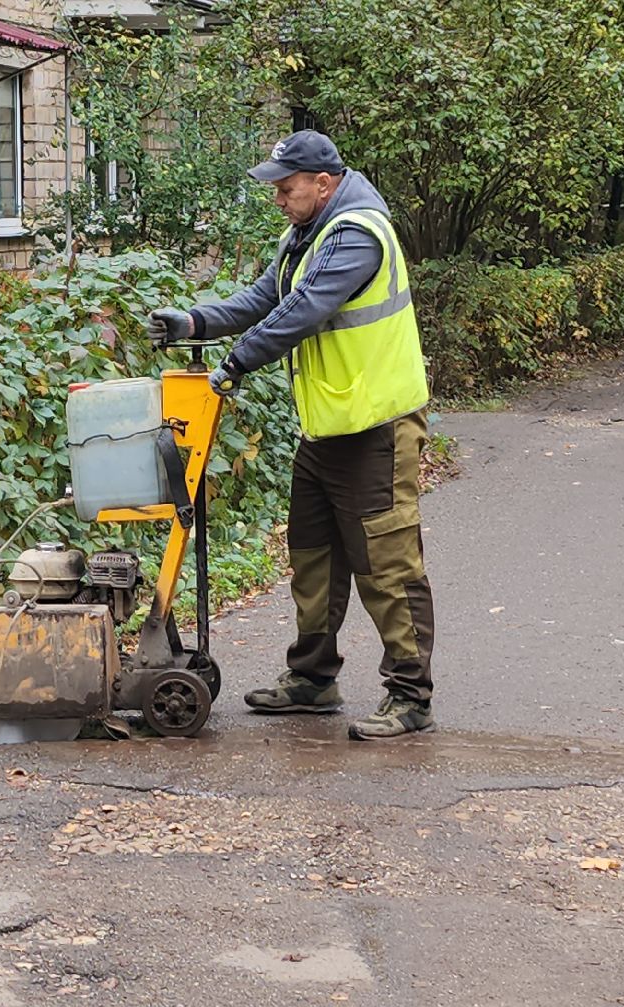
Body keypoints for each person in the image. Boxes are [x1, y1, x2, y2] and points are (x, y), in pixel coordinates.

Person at [145, 131, 436, 741]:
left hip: (376, 427)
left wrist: (233, 365)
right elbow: (265, 297)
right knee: (312, 557)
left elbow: (303, 309)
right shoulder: (308, 233)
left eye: (286, 187)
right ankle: (312, 679)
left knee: (385, 562)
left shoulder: (357, 234)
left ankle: (410, 696)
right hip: (328, 425)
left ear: (323, 184)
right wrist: (196, 320)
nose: (277, 197)